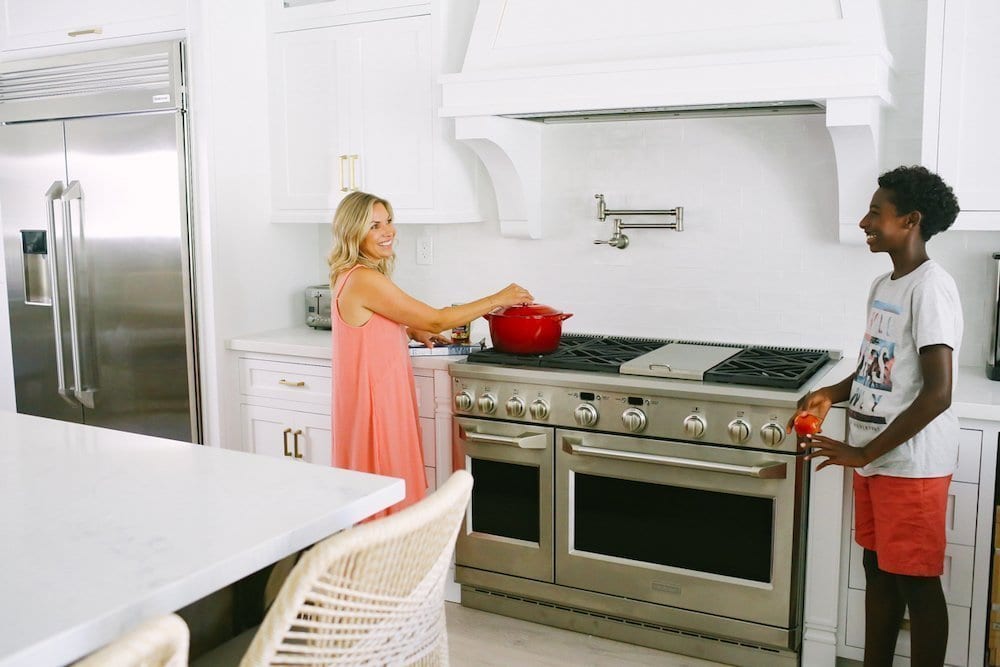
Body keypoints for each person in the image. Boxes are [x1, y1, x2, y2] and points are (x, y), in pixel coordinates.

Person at [787, 165, 962, 667]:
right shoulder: (884, 284)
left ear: (911, 220)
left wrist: (864, 451)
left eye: (876, 213)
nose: (864, 222)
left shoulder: (931, 287)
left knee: (917, 583)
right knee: (879, 569)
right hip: (875, 459)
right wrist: (831, 392)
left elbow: (939, 392)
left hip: (910, 463)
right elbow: (874, 367)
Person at [327, 191, 533, 517]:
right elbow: (436, 318)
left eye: (389, 222)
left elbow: (370, 320)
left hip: (372, 401)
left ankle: (379, 562)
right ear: (353, 232)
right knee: (387, 494)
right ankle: (392, 564)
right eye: (375, 226)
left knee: (375, 495)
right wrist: (497, 298)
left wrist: (408, 329)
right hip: (377, 407)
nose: (388, 231)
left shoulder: (350, 274)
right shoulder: (365, 278)